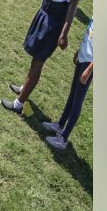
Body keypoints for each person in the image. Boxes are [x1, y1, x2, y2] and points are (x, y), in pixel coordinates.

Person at [42, 19, 93, 150]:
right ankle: (60, 125)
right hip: (84, 56)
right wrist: (79, 51)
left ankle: (63, 139)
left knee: (78, 100)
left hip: (89, 63)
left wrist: (89, 70)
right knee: (72, 94)